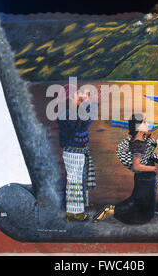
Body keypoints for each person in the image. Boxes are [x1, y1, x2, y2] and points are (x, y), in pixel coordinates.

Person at [93, 113, 158, 224]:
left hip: (147, 179)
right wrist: (155, 169)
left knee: (146, 213)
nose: (147, 124)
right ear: (138, 127)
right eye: (144, 123)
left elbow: (148, 151)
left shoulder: (141, 140)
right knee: (136, 204)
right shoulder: (139, 144)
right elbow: (137, 166)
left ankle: (114, 210)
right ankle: (110, 210)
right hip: (144, 180)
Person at [57, 84, 96, 222]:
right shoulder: (66, 114)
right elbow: (82, 125)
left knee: (80, 178)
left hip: (80, 151)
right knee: (75, 181)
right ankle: (75, 212)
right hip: (73, 152)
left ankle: (81, 205)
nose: (79, 97)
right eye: (75, 96)